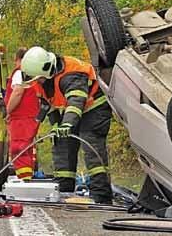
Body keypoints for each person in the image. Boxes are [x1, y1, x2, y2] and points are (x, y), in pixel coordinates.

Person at [21, 46, 113, 204]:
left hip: (95, 107)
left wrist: (67, 124)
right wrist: (57, 125)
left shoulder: (71, 74)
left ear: (48, 70)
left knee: (90, 143)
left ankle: (101, 193)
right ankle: (64, 188)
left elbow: (76, 100)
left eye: (39, 79)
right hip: (75, 111)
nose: (38, 82)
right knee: (61, 142)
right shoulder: (41, 80)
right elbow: (48, 105)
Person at [4, 47, 40, 180]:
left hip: (21, 119)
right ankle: (26, 178)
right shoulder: (34, 75)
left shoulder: (20, 73)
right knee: (26, 150)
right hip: (30, 117)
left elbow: (18, 92)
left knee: (18, 149)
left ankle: (24, 181)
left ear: (18, 60)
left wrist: (7, 111)